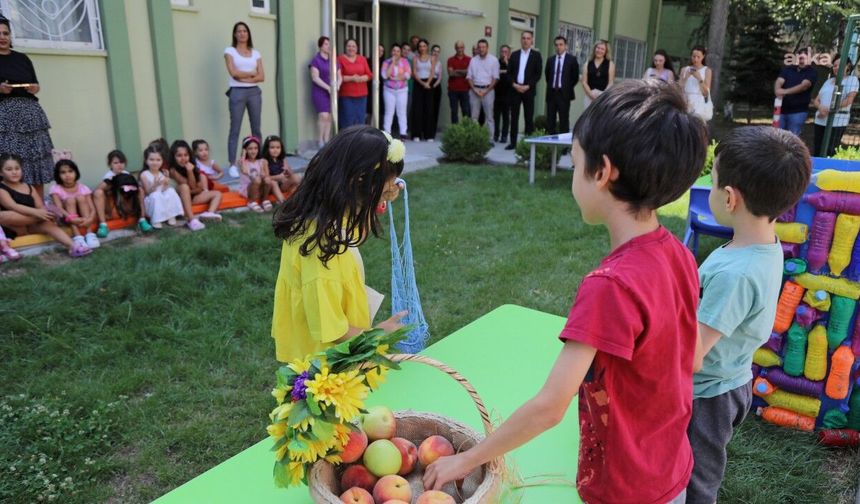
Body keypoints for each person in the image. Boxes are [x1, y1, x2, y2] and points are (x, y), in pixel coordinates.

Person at [422, 80, 708, 504]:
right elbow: (693, 357)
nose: (575, 175)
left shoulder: (610, 286)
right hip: (670, 470)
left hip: (624, 489)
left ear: (602, 172)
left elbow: (549, 407)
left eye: (575, 165)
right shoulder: (680, 255)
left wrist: (467, 459)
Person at [687, 126, 811, 503]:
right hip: (732, 378)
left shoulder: (734, 275)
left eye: (711, 182)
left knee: (696, 481)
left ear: (729, 197)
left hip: (708, 396)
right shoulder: (765, 246)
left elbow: (692, 355)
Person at [270, 126, 408, 363]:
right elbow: (334, 332)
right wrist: (380, 334)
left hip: (330, 347)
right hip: (323, 366)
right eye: (387, 185)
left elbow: (355, 236)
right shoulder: (322, 251)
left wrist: (379, 199)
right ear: (359, 183)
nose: (392, 188)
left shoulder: (326, 213)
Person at [0, 16, 55, 196]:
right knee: (10, 163)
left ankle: (38, 209)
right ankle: (14, 211)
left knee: (35, 162)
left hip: (31, 116)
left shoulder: (22, 58)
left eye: (6, 33)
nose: (3, 37)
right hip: (5, 120)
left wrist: (34, 88)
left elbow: (36, 85)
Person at [0, 154, 92, 257]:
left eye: (17, 168)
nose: (14, 172)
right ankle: (42, 219)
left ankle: (73, 247)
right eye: (9, 169)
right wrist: (38, 214)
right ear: (1, 172)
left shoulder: (29, 187)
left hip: (31, 225)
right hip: (14, 226)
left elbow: (40, 206)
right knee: (3, 215)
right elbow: (13, 206)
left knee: (48, 223)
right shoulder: (1, 188)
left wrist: (46, 212)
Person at [224, 21, 264, 171]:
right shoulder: (230, 51)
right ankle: (233, 164)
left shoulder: (256, 53)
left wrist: (246, 77)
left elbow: (262, 76)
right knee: (235, 128)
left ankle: (258, 160)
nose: (242, 33)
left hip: (254, 91)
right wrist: (252, 74)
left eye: (245, 31)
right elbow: (233, 73)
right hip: (237, 92)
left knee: (256, 128)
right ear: (235, 34)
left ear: (248, 34)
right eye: (239, 31)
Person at [93, 150, 153, 237]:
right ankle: (103, 225)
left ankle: (142, 219)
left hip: (126, 205)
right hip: (113, 208)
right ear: (110, 164)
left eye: (121, 162)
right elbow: (97, 191)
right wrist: (110, 183)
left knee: (140, 189)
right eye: (116, 163)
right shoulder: (109, 176)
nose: (119, 165)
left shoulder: (126, 174)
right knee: (98, 193)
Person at [812, 56, 858, 157]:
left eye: (840, 65)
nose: (836, 67)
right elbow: (816, 100)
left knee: (830, 151)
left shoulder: (852, 80)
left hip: (837, 122)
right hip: (820, 120)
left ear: (848, 66)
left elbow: (849, 100)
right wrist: (821, 108)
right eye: (835, 65)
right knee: (817, 149)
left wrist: (828, 111)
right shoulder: (828, 81)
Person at [168, 140, 222, 226]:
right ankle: (191, 219)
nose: (183, 158)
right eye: (179, 155)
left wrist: (196, 188)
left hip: (191, 197)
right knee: (184, 187)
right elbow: (191, 187)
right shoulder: (173, 170)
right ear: (173, 157)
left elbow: (198, 187)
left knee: (217, 194)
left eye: (186, 155)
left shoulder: (193, 166)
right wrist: (190, 172)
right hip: (179, 199)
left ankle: (209, 214)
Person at [48, 160, 99, 249]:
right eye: (63, 172)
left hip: (83, 218)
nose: (67, 175)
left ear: (76, 172)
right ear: (58, 175)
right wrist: (71, 219)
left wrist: (90, 218)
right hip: (65, 218)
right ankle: (77, 237)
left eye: (70, 171)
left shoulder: (83, 188)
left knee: (81, 198)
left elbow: (92, 208)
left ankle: (90, 233)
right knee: (70, 200)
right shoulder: (56, 189)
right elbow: (59, 208)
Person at [506, 31, 542, 150]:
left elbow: (538, 74)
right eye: (523, 38)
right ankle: (513, 143)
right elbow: (509, 73)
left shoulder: (536, 55)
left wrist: (528, 86)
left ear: (532, 40)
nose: (525, 40)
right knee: (514, 117)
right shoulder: (514, 55)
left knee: (528, 117)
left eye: (528, 38)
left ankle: (527, 144)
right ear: (521, 40)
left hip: (528, 91)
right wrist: (514, 85)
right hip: (515, 90)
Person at [139, 146, 185, 230]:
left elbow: (163, 190)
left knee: (170, 190)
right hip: (151, 201)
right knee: (156, 195)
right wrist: (155, 184)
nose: (155, 163)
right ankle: (156, 219)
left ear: (162, 161)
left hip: (160, 198)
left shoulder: (161, 173)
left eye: (158, 160)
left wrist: (166, 182)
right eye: (151, 160)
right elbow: (147, 193)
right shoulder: (144, 174)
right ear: (146, 161)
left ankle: (171, 215)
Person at [775, 49, 818, 136]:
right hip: (781, 110)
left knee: (792, 138)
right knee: (777, 136)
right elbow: (779, 81)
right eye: (800, 57)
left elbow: (804, 86)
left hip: (798, 111)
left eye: (805, 57)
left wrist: (784, 92)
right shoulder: (788, 69)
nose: (802, 60)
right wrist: (777, 90)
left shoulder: (812, 72)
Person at [309, 36, 342, 149]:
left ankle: (327, 140)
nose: (329, 46)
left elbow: (339, 76)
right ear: (321, 46)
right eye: (326, 44)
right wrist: (328, 87)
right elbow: (315, 77)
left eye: (329, 44)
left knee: (329, 116)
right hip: (320, 91)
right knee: (323, 115)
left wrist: (337, 85)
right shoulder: (316, 60)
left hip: (332, 92)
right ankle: (320, 140)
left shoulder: (334, 60)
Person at [544, 36, 580, 136]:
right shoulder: (550, 60)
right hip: (552, 93)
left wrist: (566, 87)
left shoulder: (572, 60)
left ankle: (563, 147)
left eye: (561, 45)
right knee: (550, 119)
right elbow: (547, 76)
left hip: (564, 94)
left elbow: (575, 77)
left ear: (565, 46)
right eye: (556, 45)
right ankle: (550, 143)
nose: (558, 47)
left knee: (564, 119)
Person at [466, 39, 500, 141]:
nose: (481, 49)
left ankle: (490, 140)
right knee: (474, 117)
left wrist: (486, 90)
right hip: (474, 90)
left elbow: (495, 78)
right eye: (479, 47)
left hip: (488, 90)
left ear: (487, 48)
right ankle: (474, 138)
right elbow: (469, 77)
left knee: (489, 117)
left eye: (483, 47)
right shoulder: (473, 60)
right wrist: (474, 90)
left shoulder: (493, 60)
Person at [337, 39, 372, 129]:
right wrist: (352, 78)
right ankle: (347, 141)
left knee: (360, 120)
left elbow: (369, 74)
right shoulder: (340, 59)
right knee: (347, 120)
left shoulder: (362, 59)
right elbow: (337, 76)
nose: (351, 48)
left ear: (357, 48)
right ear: (345, 47)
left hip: (362, 95)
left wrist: (361, 78)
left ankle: (358, 141)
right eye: (349, 46)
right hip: (346, 95)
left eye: (353, 46)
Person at [382, 44, 411, 139]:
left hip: (402, 90)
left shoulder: (405, 61)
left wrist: (395, 78)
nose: (396, 53)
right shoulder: (386, 62)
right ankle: (387, 133)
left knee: (401, 112)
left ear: (400, 52)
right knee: (389, 112)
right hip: (389, 90)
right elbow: (385, 76)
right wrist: (393, 63)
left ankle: (403, 133)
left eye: (398, 51)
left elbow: (408, 75)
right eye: (394, 50)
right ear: (391, 52)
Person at [262, 135, 301, 203]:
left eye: (278, 147)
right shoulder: (265, 161)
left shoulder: (282, 159)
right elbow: (266, 179)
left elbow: (289, 173)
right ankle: (282, 201)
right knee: (273, 183)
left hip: (282, 185)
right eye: (272, 147)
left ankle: (294, 200)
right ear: (267, 148)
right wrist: (278, 177)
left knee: (297, 178)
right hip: (270, 187)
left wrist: (288, 171)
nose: (275, 150)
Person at [411, 39, 436, 142]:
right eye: (420, 46)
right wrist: (422, 83)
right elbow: (414, 73)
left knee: (429, 109)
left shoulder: (432, 58)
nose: (422, 48)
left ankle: (428, 135)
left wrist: (428, 83)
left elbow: (432, 72)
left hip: (429, 84)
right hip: (418, 84)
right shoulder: (415, 58)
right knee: (417, 109)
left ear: (427, 47)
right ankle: (416, 134)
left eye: (424, 46)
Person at [680, 46, 713, 122]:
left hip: (699, 104)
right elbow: (679, 88)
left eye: (698, 57)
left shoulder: (707, 70)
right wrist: (686, 78)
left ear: (703, 57)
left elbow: (706, 92)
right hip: (685, 102)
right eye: (694, 56)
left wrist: (699, 78)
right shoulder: (684, 69)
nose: (695, 59)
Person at [238, 135, 270, 213]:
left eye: (256, 148)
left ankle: (264, 200)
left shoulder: (262, 161)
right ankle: (251, 202)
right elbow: (244, 170)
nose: (253, 151)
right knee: (257, 179)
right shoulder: (242, 162)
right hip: (247, 190)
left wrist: (263, 174)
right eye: (250, 149)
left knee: (268, 180)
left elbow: (267, 176)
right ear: (245, 150)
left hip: (259, 188)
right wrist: (243, 155)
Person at [581, 39, 615, 109]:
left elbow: (611, 82)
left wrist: (603, 95)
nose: (599, 50)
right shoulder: (587, 63)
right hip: (589, 95)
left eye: (602, 49)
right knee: (588, 118)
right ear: (594, 49)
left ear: (606, 51)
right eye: (598, 48)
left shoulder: (610, 64)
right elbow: (584, 82)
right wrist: (591, 95)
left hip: (603, 96)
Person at [447, 41, 471, 124]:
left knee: (466, 111)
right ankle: (455, 131)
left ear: (464, 48)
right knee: (454, 111)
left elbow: (469, 73)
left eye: (461, 47)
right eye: (458, 47)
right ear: (455, 48)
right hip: (453, 89)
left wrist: (456, 70)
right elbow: (451, 73)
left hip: (465, 89)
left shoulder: (469, 59)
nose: (460, 49)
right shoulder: (450, 60)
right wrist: (464, 72)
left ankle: (466, 131)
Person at [493, 45, 512, 144]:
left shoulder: (511, 62)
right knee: (496, 116)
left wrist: (507, 63)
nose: (504, 53)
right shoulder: (496, 62)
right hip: (497, 93)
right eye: (502, 51)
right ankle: (496, 134)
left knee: (506, 116)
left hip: (508, 94)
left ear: (509, 53)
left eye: (506, 51)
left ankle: (504, 136)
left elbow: (512, 73)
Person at [430, 44, 443, 135]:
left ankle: (433, 130)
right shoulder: (427, 61)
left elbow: (440, 77)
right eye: (434, 51)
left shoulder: (439, 63)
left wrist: (434, 85)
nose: (436, 53)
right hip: (427, 83)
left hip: (436, 85)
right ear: (431, 51)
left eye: (438, 51)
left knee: (435, 108)